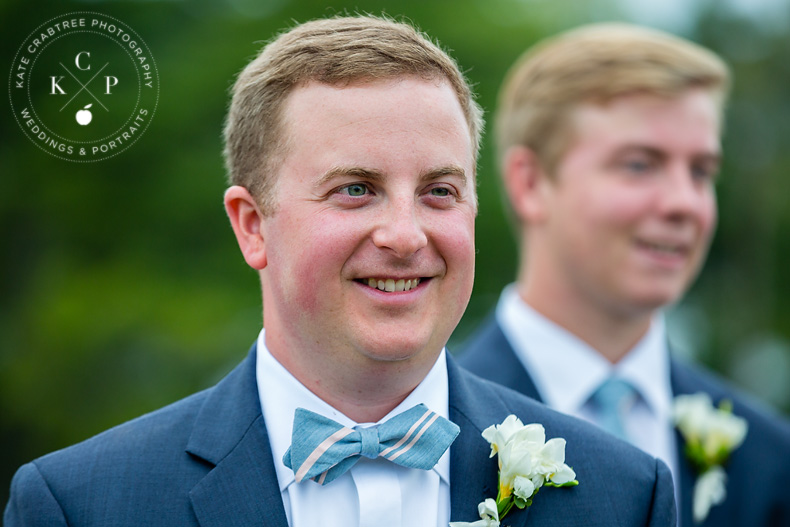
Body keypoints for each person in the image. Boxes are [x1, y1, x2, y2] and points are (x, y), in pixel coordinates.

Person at [5, 16, 676, 527]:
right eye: (356, 188)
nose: (406, 235)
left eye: (439, 191)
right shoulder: (82, 503)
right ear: (252, 224)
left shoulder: (620, 493)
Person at [459, 22, 790, 527]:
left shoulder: (768, 456)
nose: (685, 203)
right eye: (639, 165)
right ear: (530, 183)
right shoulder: (436, 434)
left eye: (701, 172)